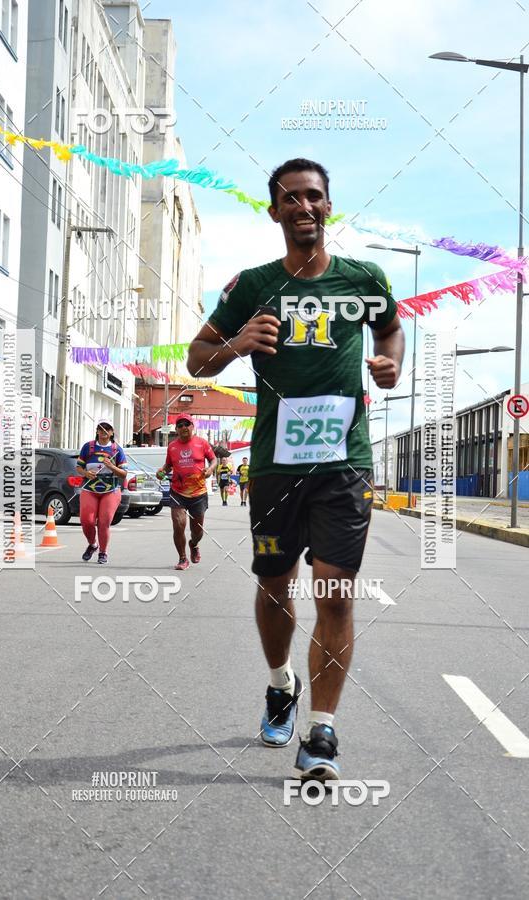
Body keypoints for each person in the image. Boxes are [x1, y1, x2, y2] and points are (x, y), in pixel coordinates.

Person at [187, 158, 404, 781]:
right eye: (291, 198)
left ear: (328, 205)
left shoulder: (364, 278)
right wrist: (236, 345)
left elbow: (391, 332)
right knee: (275, 584)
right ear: (274, 211)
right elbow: (198, 359)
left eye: (313, 196)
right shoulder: (252, 285)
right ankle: (280, 683)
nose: (303, 206)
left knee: (334, 591)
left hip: (344, 464)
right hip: (275, 470)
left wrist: (390, 365)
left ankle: (322, 732)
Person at [155, 414, 216, 570]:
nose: (183, 427)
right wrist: (162, 471)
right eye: (180, 425)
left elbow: (213, 459)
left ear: (192, 426)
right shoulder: (172, 446)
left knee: (197, 531)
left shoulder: (202, 443)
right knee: (178, 524)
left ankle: (193, 544)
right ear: (176, 429)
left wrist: (210, 469)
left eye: (186, 424)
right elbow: (168, 466)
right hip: (178, 492)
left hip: (198, 493)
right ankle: (182, 558)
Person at [77, 419, 128, 565]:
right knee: (87, 521)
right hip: (90, 488)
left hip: (110, 490)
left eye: (107, 428)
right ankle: (93, 545)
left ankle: (103, 552)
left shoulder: (117, 449)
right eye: (101, 428)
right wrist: (86, 473)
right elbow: (79, 467)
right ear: (97, 431)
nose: (104, 431)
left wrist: (111, 466)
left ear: (112, 432)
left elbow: (124, 474)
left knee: (104, 522)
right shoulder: (88, 447)